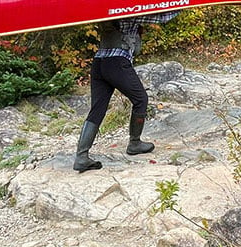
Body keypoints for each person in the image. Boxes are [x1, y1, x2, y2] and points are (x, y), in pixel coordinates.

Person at [74, 10, 181, 172]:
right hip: (116, 63)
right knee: (141, 100)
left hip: (99, 63)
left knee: (97, 109)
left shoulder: (105, 11)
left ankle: (81, 156)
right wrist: (187, 2)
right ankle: (135, 143)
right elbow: (161, 17)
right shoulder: (128, 12)